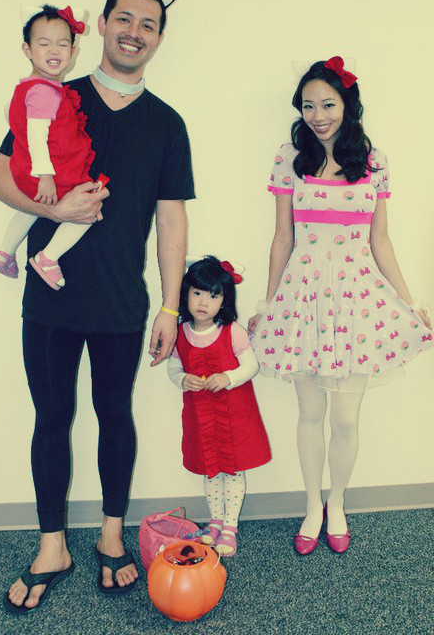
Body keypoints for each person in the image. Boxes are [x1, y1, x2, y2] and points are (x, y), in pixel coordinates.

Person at [0, 0, 194, 612]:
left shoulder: (166, 124)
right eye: (124, 18)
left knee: (115, 415)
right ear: (101, 25)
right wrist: (54, 210)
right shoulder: (52, 94)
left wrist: (170, 306)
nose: (135, 31)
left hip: (122, 303)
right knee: (52, 418)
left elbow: (171, 219)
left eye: (148, 24)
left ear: (159, 38)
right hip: (49, 300)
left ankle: (111, 536)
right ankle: (52, 545)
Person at [248, 57, 433, 556]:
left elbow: (381, 240)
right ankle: (312, 505)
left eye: (328, 105)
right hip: (304, 295)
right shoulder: (290, 157)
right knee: (310, 411)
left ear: (347, 106)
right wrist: (270, 301)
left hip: (357, 299)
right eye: (308, 106)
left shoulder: (374, 160)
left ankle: (337, 502)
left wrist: (410, 301)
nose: (318, 116)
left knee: (346, 418)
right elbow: (282, 236)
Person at [0, 4, 110, 290]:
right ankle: (48, 257)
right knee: (89, 208)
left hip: (26, 172)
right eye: (44, 44)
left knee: (32, 206)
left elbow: (11, 114)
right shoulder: (44, 92)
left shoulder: (27, 87)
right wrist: (45, 175)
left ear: (73, 51)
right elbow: (35, 135)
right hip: (49, 172)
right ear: (27, 50)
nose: (54, 50)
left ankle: (5, 251)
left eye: (63, 44)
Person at [168, 256, 271, 557]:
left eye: (213, 296)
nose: (203, 302)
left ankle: (230, 526)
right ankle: (215, 521)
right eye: (197, 293)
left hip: (234, 414)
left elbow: (251, 366)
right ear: (186, 293)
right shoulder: (180, 332)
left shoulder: (232, 330)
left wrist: (228, 377)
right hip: (201, 416)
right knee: (211, 471)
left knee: (233, 470)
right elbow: (173, 367)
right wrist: (182, 379)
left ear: (224, 301)